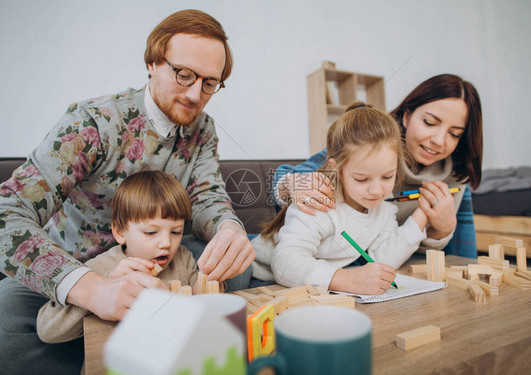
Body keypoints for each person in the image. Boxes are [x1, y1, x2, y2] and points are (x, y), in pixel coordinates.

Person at [0, 9, 254, 374]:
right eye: (184, 75)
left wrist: (228, 228)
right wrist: (90, 289)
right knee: (6, 316)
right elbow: (7, 212)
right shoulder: (92, 122)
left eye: (210, 83)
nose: (196, 94)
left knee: (234, 268)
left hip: (156, 257)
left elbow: (207, 195)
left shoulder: (203, 129)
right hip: (80, 264)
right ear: (152, 62)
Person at [272, 74, 482, 256]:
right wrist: (292, 184)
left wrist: (442, 231)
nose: (439, 140)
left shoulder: (457, 178)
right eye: (430, 123)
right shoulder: (371, 144)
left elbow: (463, 261)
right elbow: (287, 175)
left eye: (454, 133)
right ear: (407, 117)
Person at [252, 103, 428, 295]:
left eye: (387, 176)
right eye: (362, 179)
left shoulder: (384, 205)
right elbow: (286, 264)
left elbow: (382, 261)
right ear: (336, 169)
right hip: (262, 279)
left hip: (308, 284)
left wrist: (423, 214)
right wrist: (344, 279)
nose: (377, 190)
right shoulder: (319, 200)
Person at [37, 170, 202, 343]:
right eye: (151, 232)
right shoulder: (99, 270)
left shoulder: (183, 259)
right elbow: (47, 330)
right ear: (120, 232)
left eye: (176, 232)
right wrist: (100, 290)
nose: (166, 243)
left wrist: (213, 285)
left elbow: (200, 311)